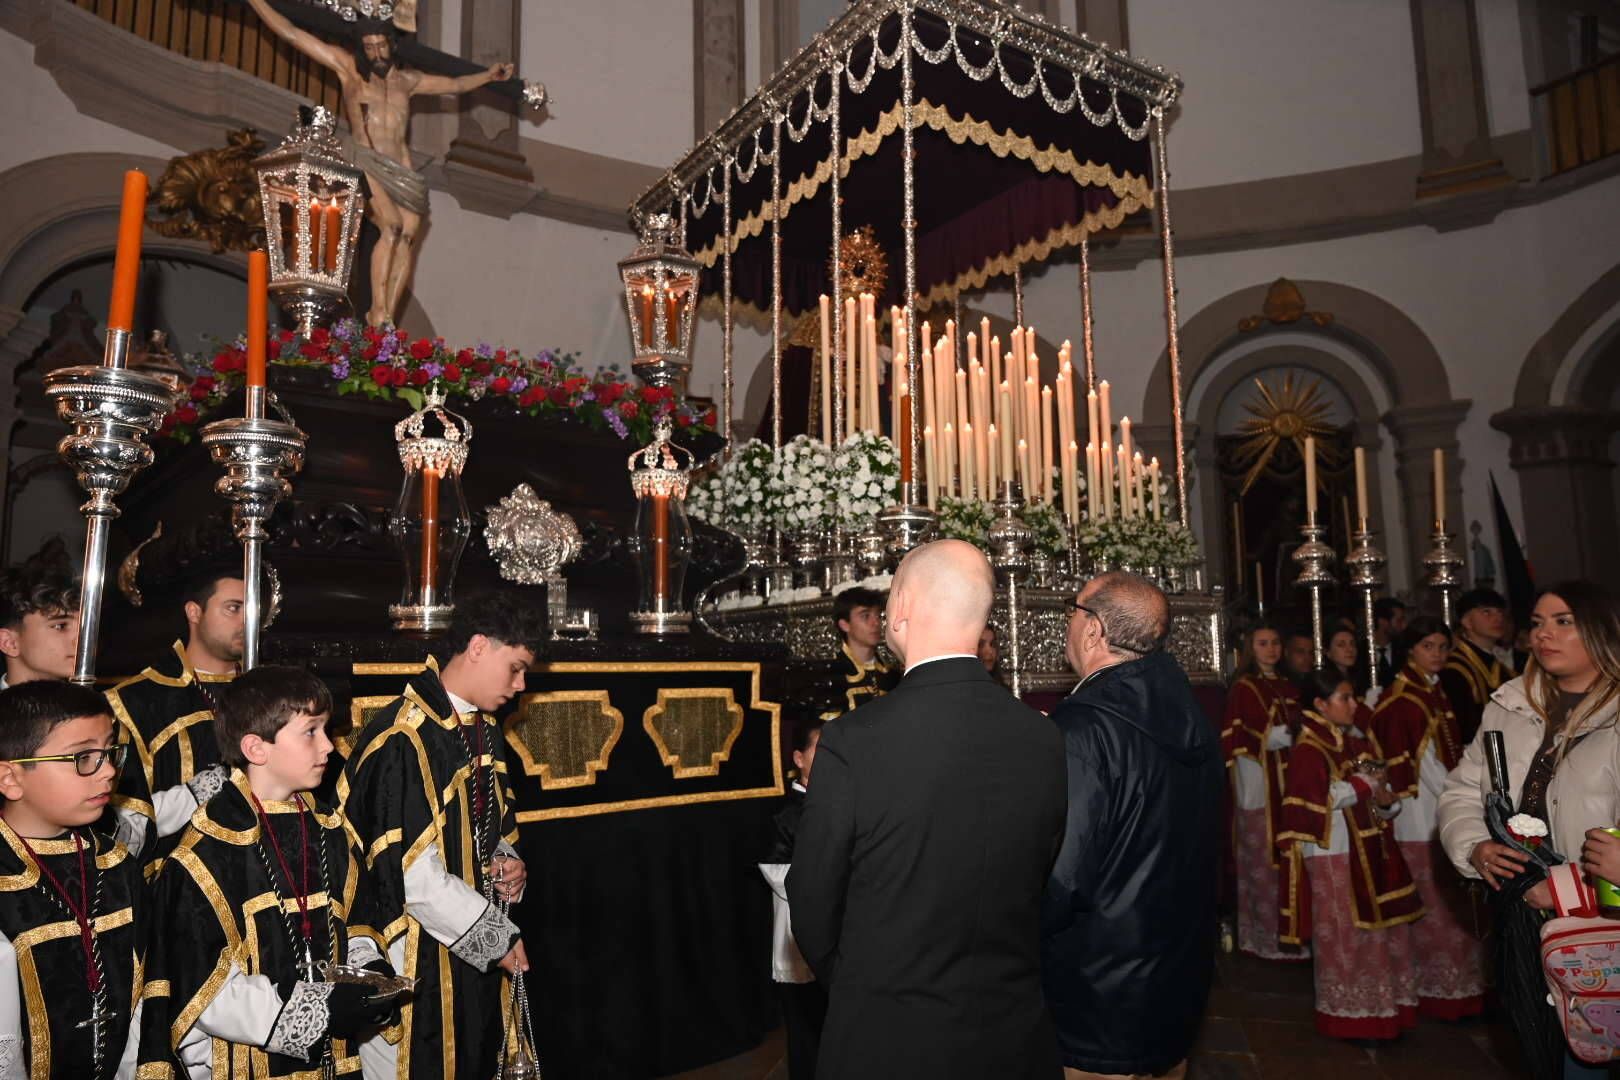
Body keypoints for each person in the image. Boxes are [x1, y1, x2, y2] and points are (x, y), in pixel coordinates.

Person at [788, 540, 1065, 1080]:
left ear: (904, 605)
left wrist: (863, 984)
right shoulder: (1044, 735)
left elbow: (813, 898)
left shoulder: (854, 740)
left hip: (889, 1034)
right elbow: (1047, 875)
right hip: (1012, 1030)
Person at [138, 666, 394, 1077]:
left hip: (333, 1061)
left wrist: (368, 974)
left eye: (326, 729)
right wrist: (317, 1010)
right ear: (257, 749)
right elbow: (205, 989)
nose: (329, 746)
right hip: (248, 1062)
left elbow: (358, 919)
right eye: (311, 731)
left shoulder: (329, 830)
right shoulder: (204, 856)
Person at [339, 592, 540, 1079]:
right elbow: (413, 876)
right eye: (514, 668)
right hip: (414, 952)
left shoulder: (480, 725)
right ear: (477, 647)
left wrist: (506, 859)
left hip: (460, 935)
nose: (520, 685)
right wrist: (496, 935)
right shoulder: (404, 738)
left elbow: (488, 821)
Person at [1042, 571, 1223, 1080]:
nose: (1067, 621)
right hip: (1177, 973)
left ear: (1095, 630)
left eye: (1073, 610)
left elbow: (1063, 872)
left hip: (1099, 986)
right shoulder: (1192, 713)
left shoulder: (1083, 728)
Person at [1438, 581, 1620, 1080]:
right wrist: (1473, 846)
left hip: (1601, 918)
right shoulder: (1511, 703)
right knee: (1539, 1041)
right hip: (1522, 909)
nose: (1545, 634)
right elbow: (1461, 790)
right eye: (1538, 623)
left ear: (1602, 631)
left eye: (1564, 622)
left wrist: (1563, 889)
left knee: (1594, 1044)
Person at [244, 0, 518, 327]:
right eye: (369, 46)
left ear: (391, 44)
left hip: (402, 169)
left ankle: (387, 311)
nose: (375, 53)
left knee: (410, 234)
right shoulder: (350, 72)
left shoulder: (408, 81)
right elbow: (291, 33)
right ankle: (377, 311)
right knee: (391, 226)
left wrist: (488, 75)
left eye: (380, 45)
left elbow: (455, 85)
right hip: (365, 159)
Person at [0, 681, 143, 1076]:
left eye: (110, 753)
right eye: (83, 757)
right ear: (10, 778)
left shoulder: (116, 864)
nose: (110, 771)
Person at [1276, 668, 1423, 1040]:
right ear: (1321, 705)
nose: (1353, 705)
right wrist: (1361, 785)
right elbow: (1309, 802)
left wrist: (1386, 802)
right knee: (1344, 937)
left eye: (1353, 697)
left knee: (1375, 936)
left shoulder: (1351, 743)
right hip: (1332, 854)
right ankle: (1349, 1014)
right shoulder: (1310, 748)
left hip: (1368, 852)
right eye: (1344, 698)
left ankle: (1380, 1010)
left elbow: (1374, 797)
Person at [1371, 616, 1484, 1022]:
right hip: (1422, 817)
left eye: (1442, 647)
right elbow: (1424, 770)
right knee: (1433, 905)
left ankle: (1455, 986)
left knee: (1446, 904)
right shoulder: (1404, 700)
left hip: (1440, 808)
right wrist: (1461, 797)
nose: (1437, 654)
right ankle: (1437, 989)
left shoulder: (1431, 691)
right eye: (1428, 647)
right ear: (1409, 652)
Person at [106, 566, 244, 865]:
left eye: (254, 610)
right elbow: (119, 821)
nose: (247, 621)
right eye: (233, 608)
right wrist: (195, 795)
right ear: (194, 612)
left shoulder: (270, 691)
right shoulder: (134, 701)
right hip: (170, 879)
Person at [1220, 621, 1304, 960]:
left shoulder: (1290, 685)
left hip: (1291, 782)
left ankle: (1294, 935)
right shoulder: (1245, 688)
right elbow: (1236, 736)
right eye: (1263, 643)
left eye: (1275, 643)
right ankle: (1263, 938)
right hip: (1259, 786)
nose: (1271, 649)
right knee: (1262, 863)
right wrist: (1275, 739)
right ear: (1250, 650)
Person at [759, 714, 829, 1080]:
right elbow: (776, 871)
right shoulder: (786, 814)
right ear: (799, 758)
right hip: (800, 940)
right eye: (821, 749)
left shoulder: (838, 802)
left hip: (839, 938)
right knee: (806, 1037)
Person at [1442, 587, 1516, 744]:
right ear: (1467, 621)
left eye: (1500, 612)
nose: (1497, 619)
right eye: (1487, 612)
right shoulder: (1453, 668)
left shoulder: (1503, 669)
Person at [0, 542, 79, 688]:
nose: (81, 640)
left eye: (85, 627)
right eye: (60, 626)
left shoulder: (103, 708)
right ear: (9, 642)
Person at [831, 586, 897, 712]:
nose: (876, 623)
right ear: (845, 625)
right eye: (865, 616)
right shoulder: (833, 676)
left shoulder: (892, 676)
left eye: (878, 615)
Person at [1371, 597, 1409, 690]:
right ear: (1383, 622)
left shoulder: (1405, 650)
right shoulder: (1360, 651)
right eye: (1399, 621)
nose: (1404, 626)